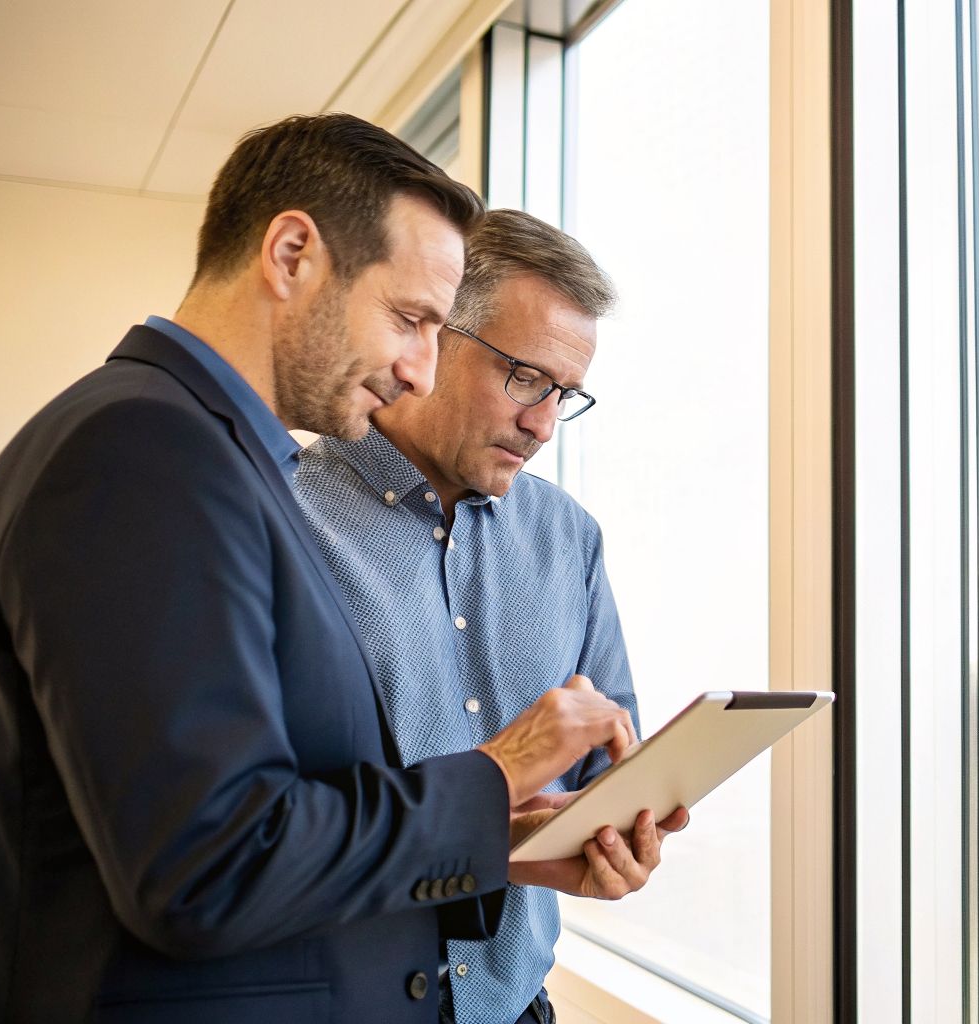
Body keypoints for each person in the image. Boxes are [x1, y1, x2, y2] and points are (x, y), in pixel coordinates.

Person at [0, 114, 636, 1023]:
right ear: (290, 255)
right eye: (409, 319)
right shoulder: (140, 449)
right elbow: (208, 864)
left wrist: (496, 840)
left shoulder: (211, 458)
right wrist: (494, 774)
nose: (415, 368)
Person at [295, 208, 689, 1024]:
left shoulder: (566, 537)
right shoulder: (285, 517)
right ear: (432, 333)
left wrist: (611, 834)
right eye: (525, 378)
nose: (544, 423)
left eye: (565, 396)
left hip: (516, 1007)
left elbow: (599, 770)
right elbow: (276, 822)